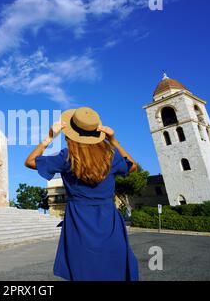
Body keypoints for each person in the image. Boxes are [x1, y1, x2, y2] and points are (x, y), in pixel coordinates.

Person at [25, 106, 139, 281]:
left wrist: (49, 137)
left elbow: (30, 161)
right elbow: (132, 165)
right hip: (109, 219)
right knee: (114, 268)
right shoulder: (111, 155)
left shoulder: (67, 156)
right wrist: (114, 141)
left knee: (83, 270)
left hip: (79, 220)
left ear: (71, 133)